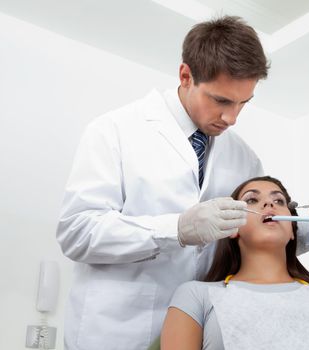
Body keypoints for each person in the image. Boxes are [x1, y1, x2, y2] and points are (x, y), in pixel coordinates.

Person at [56, 16, 269, 350]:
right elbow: (77, 233)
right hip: (114, 331)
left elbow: (253, 239)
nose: (233, 118)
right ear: (186, 76)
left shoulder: (244, 158)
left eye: (244, 102)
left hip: (194, 334)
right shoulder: (114, 130)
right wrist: (177, 229)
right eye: (222, 100)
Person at [161, 176, 309, 350]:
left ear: (292, 231)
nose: (269, 204)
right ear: (232, 227)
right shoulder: (196, 296)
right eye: (252, 200)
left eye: (279, 201)